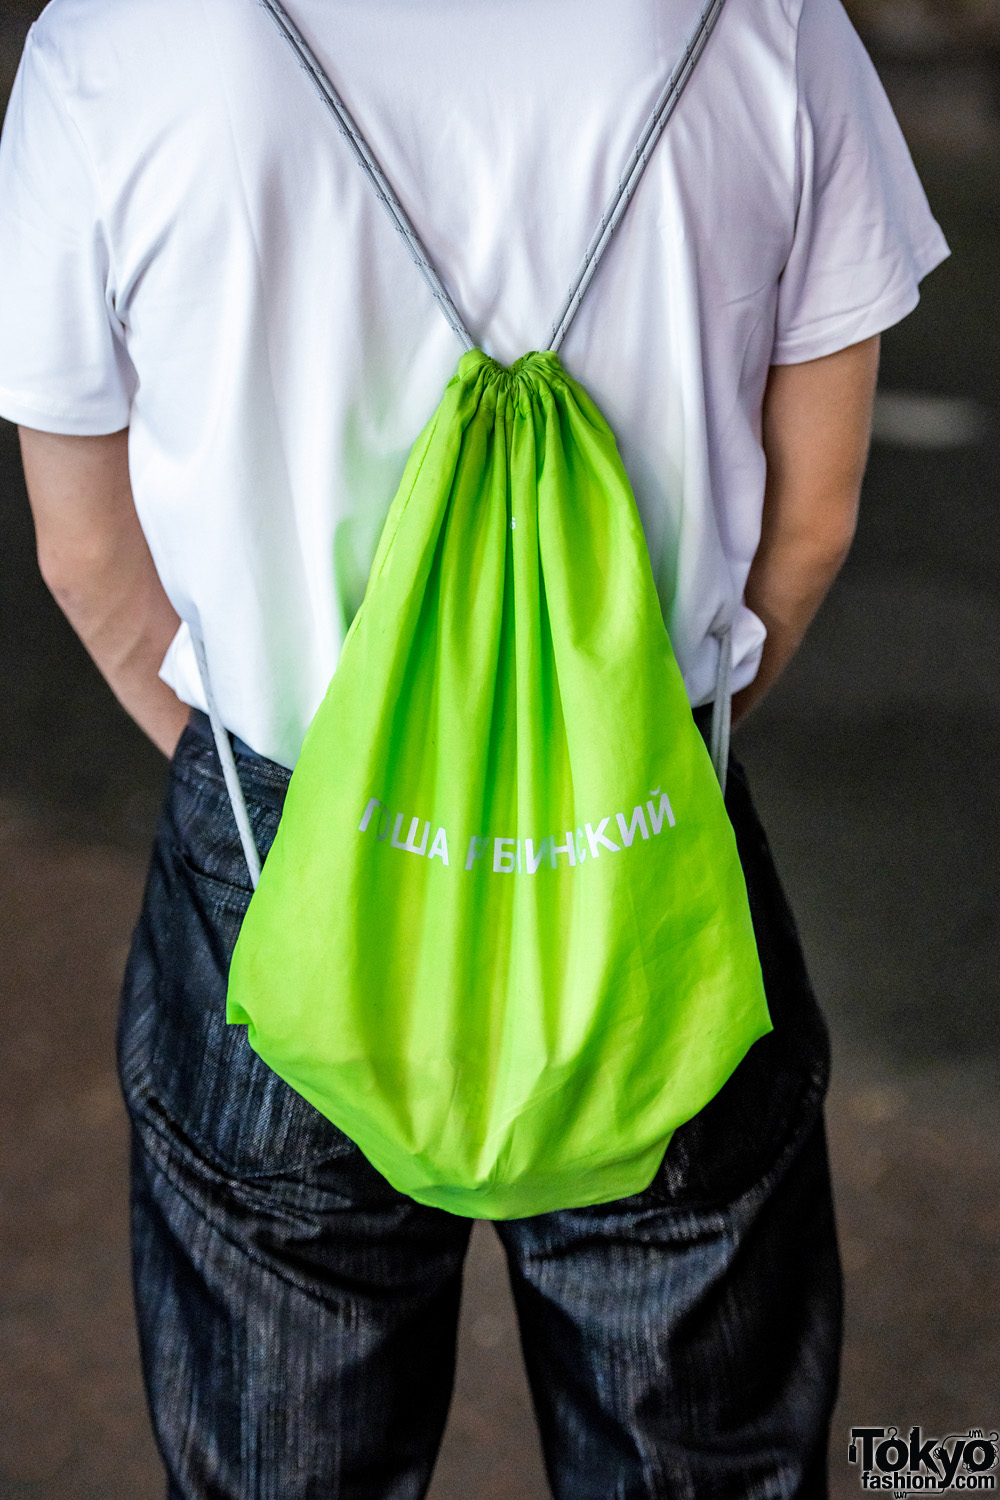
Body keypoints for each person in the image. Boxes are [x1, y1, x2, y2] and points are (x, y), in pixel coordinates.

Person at [0, 0, 947, 1493]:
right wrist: (611, 763)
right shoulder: (766, 23)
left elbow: (81, 546)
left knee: (281, 1461)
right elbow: (814, 517)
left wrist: (301, 806)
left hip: (272, 835)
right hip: (645, 839)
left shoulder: (117, 36)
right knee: (692, 1449)